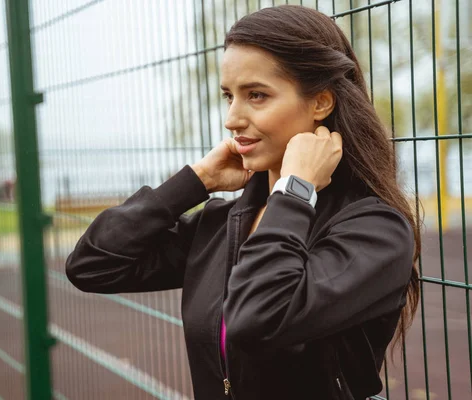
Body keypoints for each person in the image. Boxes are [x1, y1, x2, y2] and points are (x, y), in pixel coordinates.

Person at [66, 5, 420, 400]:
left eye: (256, 95)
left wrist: (295, 188)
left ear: (320, 103)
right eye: (228, 96)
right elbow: (92, 265)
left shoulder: (375, 230)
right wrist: (195, 181)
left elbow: (259, 318)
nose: (232, 118)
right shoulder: (224, 221)